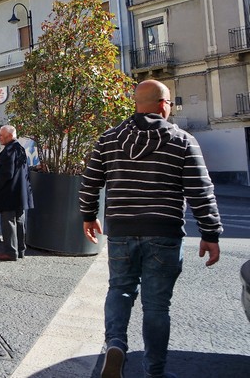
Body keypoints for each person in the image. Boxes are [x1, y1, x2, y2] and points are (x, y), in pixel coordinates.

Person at [79, 79, 222, 378]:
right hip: (164, 231)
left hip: (121, 230)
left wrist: (89, 215)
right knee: (157, 306)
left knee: (119, 289)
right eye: (169, 103)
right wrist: (210, 233)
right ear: (162, 105)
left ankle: (115, 345)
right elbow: (200, 190)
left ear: (136, 104)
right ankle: (154, 372)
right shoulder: (183, 140)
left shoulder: (109, 139)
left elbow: (90, 182)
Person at [0, 125, 33, 261]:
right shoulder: (20, 148)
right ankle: (20, 250)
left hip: (9, 193)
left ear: (10, 136)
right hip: (20, 194)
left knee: (8, 222)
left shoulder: (9, 150)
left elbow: (7, 173)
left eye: (1, 135)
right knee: (20, 221)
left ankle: (10, 252)